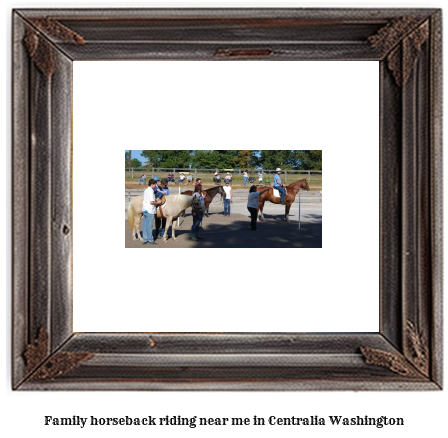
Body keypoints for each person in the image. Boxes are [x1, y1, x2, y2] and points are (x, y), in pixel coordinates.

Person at [142, 179, 162, 245]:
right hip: (150, 210)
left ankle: (145, 239)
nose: (156, 186)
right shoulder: (151, 191)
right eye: (155, 184)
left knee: (145, 225)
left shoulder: (146, 190)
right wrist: (158, 202)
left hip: (145, 209)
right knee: (150, 226)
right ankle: (150, 239)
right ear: (152, 184)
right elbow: (152, 202)